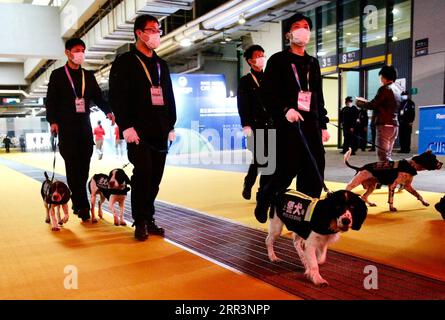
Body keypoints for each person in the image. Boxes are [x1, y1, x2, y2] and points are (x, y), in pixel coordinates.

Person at [254, 13, 330, 223]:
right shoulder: (279, 60)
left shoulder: (313, 63)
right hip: (288, 126)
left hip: (311, 125)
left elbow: (318, 96)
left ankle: (306, 219)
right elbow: (266, 93)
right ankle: (265, 198)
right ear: (288, 33)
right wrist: (285, 109)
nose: (302, 30)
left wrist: (322, 124)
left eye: (306, 26)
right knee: (285, 172)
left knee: (314, 172)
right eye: (297, 26)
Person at [109, 14, 177, 241]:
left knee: (155, 178)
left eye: (158, 30)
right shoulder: (125, 62)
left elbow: (168, 96)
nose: (156, 34)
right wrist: (125, 126)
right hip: (137, 133)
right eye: (151, 29)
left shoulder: (161, 64)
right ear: (139, 33)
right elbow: (117, 97)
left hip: (160, 130)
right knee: (143, 175)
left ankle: (149, 217)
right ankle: (139, 220)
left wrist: (171, 125)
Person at [46, 38, 115, 222]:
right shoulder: (58, 75)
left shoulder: (88, 76)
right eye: (77, 50)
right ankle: (81, 205)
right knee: (73, 169)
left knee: (83, 170)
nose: (81, 53)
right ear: (68, 53)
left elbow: (99, 98)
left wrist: (108, 111)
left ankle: (79, 202)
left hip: (85, 130)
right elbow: (51, 100)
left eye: (83, 50)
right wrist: (53, 121)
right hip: (67, 130)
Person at [237, 44, 273, 201]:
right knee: (260, 158)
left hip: (271, 125)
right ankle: (249, 182)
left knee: (270, 159)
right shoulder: (245, 81)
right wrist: (245, 124)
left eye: (263, 55)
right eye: (258, 56)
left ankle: (263, 192)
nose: (261, 58)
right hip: (254, 126)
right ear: (250, 61)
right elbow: (242, 104)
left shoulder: (270, 78)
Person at [356, 65, 402, 162]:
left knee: (383, 155)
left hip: (384, 125)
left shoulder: (384, 89)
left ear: (384, 77)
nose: (380, 79)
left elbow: (373, 104)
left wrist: (360, 103)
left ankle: (385, 176)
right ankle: (389, 174)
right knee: (388, 154)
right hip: (394, 125)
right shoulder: (398, 89)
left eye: (381, 77)